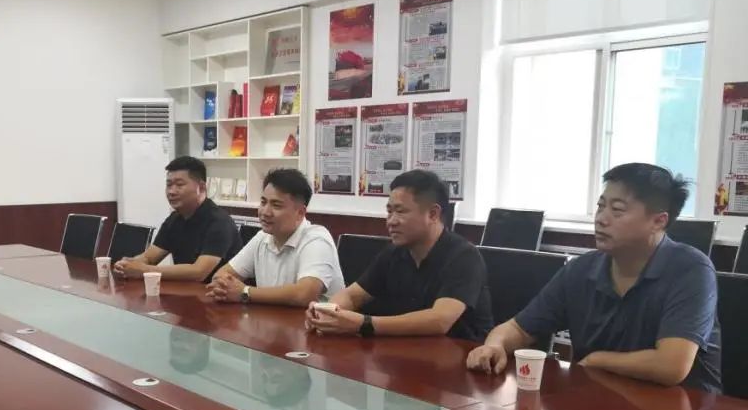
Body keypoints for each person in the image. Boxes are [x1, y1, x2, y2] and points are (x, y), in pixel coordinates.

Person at [466, 163, 722, 393]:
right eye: (600, 206)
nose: (601, 219)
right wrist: (495, 345)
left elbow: (671, 366)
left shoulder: (691, 270)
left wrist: (598, 360)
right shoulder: (582, 269)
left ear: (658, 221)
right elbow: (519, 328)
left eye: (617, 210)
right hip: (598, 401)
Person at [307, 169, 493, 341]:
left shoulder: (464, 256)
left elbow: (440, 320)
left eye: (401, 211)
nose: (391, 221)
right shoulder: (394, 253)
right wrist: (328, 312)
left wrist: (364, 324)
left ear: (433, 214)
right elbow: (352, 296)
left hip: (461, 355)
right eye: (389, 211)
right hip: (407, 350)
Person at [207, 168, 343, 306]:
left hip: (312, 319)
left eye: (276, 205)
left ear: (300, 212)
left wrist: (245, 292)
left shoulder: (317, 239)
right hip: (269, 317)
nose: (265, 212)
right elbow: (220, 276)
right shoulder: (262, 238)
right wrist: (224, 286)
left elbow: (304, 294)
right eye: (263, 202)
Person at [115, 156, 241, 282]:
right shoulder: (174, 219)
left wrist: (144, 270)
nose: (171, 191)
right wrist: (128, 265)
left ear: (201, 187)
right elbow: (149, 258)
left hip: (214, 291)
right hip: (184, 290)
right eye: (169, 185)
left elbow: (199, 272)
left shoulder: (220, 222)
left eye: (179, 185)